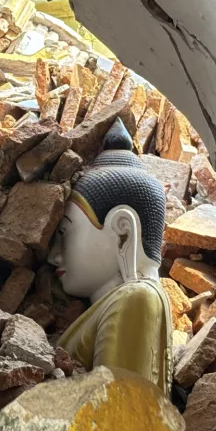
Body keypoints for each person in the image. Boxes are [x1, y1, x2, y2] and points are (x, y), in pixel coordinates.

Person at [49, 119, 173, 395]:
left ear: (123, 232)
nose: (53, 255)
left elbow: (122, 430)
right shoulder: (114, 304)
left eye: (64, 232)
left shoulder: (136, 300)